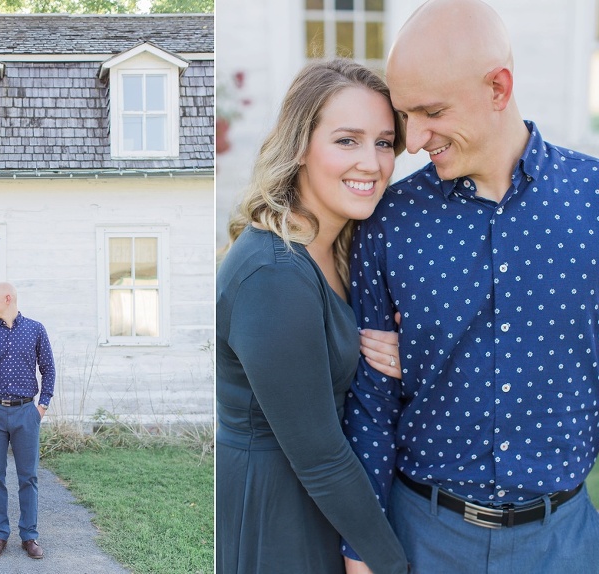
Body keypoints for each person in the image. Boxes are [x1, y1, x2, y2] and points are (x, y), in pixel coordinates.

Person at [344, 0, 599, 572]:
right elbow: (370, 406)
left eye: (431, 112)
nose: (413, 141)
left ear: (499, 88)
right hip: (423, 538)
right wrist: (360, 550)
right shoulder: (390, 220)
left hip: (567, 545)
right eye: (405, 115)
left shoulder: (593, 202)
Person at [216, 57, 409, 574]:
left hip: (325, 502)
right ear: (300, 146)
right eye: (347, 140)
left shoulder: (342, 245)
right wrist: (391, 562)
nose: (371, 162)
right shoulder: (273, 272)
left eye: (385, 142)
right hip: (277, 511)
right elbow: (320, 454)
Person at [0, 282, 55, 560]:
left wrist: (41, 407)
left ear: (7, 299)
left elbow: (49, 370)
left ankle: (29, 536)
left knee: (28, 477)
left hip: (26, 413)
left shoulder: (35, 329)